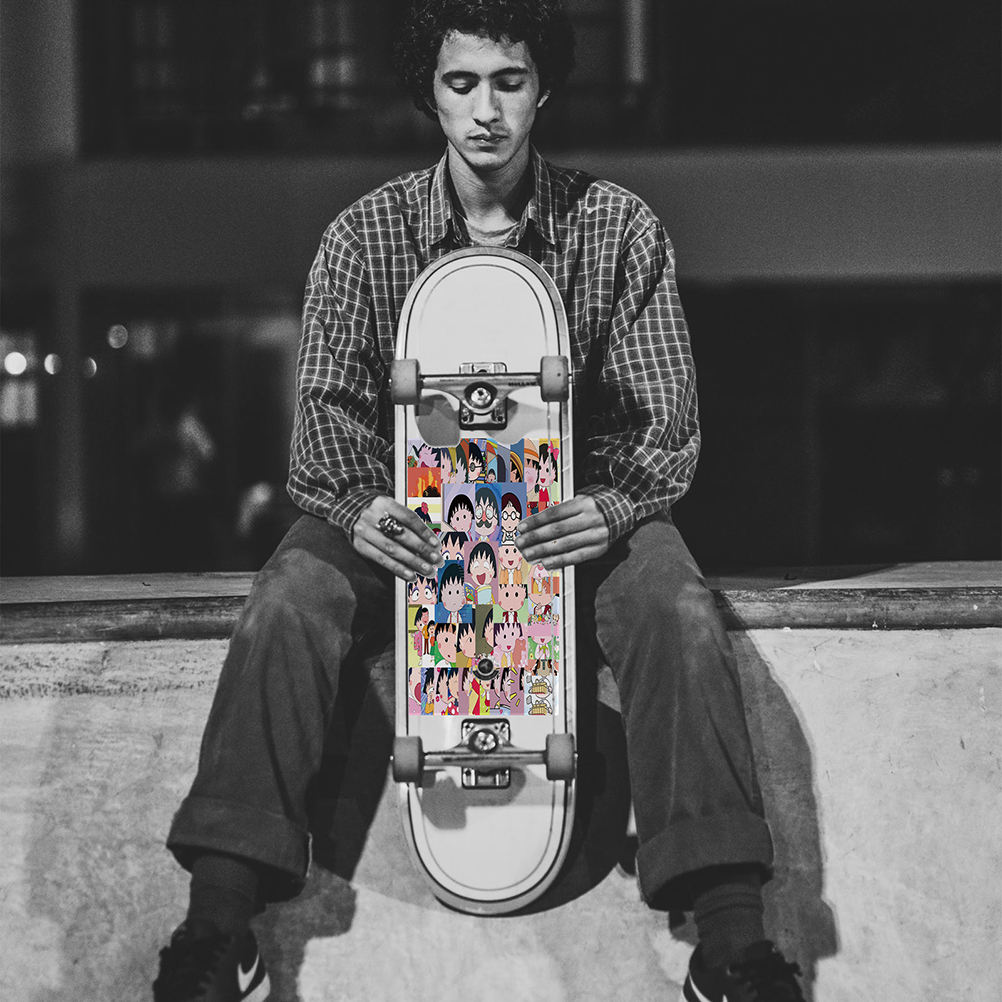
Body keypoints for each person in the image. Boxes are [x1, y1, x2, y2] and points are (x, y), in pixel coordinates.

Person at [152, 2, 806, 1000]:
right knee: (287, 599)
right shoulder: (364, 236)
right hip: (407, 524)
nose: (487, 110)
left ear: (543, 89)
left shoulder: (618, 227)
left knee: (676, 607)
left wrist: (610, 507)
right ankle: (217, 928)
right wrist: (363, 509)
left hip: (570, 524)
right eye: (462, 85)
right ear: (432, 93)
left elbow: (663, 421)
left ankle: (729, 942)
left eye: (508, 82)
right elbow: (323, 423)